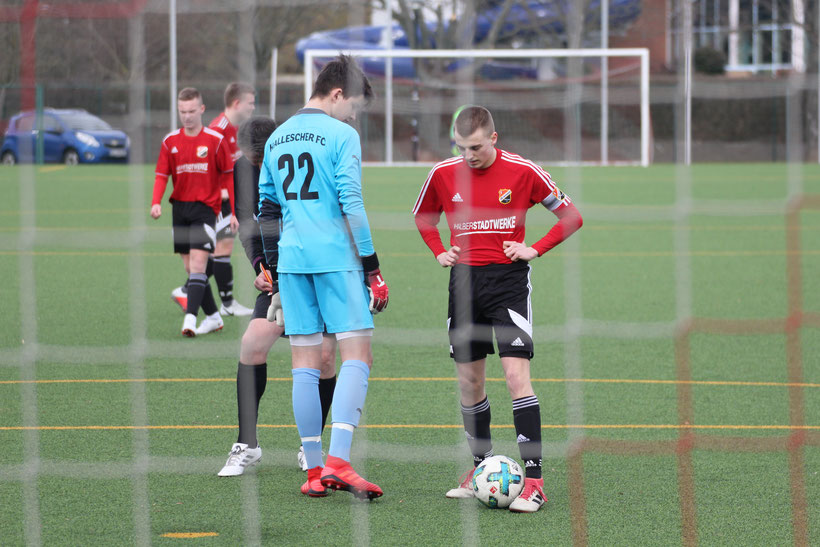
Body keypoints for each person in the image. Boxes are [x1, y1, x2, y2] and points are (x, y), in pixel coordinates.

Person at [412, 105, 583, 513]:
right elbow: (423, 217)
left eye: (475, 147)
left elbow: (571, 216)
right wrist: (439, 250)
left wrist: (533, 249)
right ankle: (479, 469)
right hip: (464, 286)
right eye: (461, 147)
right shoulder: (442, 173)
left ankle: (536, 482)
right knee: (470, 383)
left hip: (508, 283)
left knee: (514, 377)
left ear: (494, 138)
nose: (468, 155)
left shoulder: (524, 171)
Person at [257, 54, 389, 500]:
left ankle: (314, 471)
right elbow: (352, 202)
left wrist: (274, 271)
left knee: (303, 365)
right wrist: (372, 268)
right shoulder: (341, 134)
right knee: (358, 354)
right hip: (335, 258)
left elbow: (267, 210)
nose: (354, 115)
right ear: (337, 94)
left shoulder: (276, 138)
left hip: (292, 262)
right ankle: (340, 460)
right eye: (352, 105)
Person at [218, 116, 338, 477]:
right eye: (251, 159)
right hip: (279, 271)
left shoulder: (306, 157)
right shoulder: (243, 170)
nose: (255, 165)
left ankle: (311, 446)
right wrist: (260, 266)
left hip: (316, 266)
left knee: (326, 356)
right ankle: (247, 444)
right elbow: (248, 223)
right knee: (253, 343)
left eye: (259, 158)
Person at [151, 87, 234, 336]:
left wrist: (236, 211)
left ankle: (189, 320)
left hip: (206, 209)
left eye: (191, 111)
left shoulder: (215, 140)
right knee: (191, 270)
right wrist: (156, 202)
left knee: (199, 265)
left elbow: (229, 177)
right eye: (182, 111)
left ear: (201, 109)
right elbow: (161, 175)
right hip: (180, 210)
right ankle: (214, 317)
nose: (187, 116)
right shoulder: (170, 141)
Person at [171, 82, 256, 316]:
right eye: (250, 102)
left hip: (229, 200)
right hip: (217, 200)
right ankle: (211, 299)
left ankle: (197, 293)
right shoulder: (219, 128)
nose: (253, 106)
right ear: (237, 103)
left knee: (222, 248)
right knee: (220, 248)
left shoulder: (235, 128)